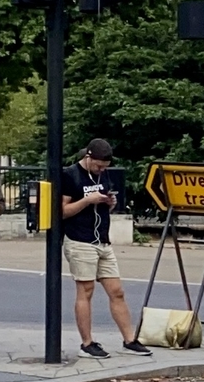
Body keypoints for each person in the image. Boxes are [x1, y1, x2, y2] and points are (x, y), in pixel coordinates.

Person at [59, 138, 145, 358]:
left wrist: (109, 203)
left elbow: (104, 197)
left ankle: (130, 339)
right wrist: (88, 200)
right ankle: (87, 343)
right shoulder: (70, 175)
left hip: (102, 239)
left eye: (104, 167)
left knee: (117, 291)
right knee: (85, 290)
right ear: (88, 157)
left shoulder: (103, 174)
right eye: (98, 166)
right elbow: (62, 211)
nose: (100, 170)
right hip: (80, 239)